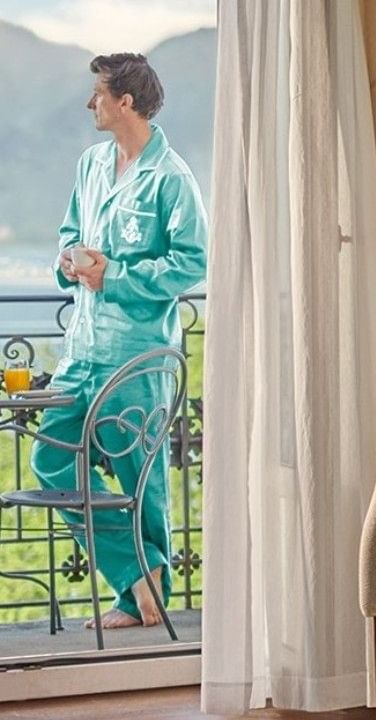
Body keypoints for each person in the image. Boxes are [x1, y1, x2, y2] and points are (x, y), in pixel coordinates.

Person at [31, 53, 208, 629]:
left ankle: (140, 605)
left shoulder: (173, 178)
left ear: (125, 101)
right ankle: (140, 574)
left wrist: (118, 275)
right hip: (80, 354)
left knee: (142, 479)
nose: (91, 103)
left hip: (136, 358)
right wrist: (67, 261)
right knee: (50, 460)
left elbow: (192, 263)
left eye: (98, 94)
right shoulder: (90, 165)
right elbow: (68, 234)